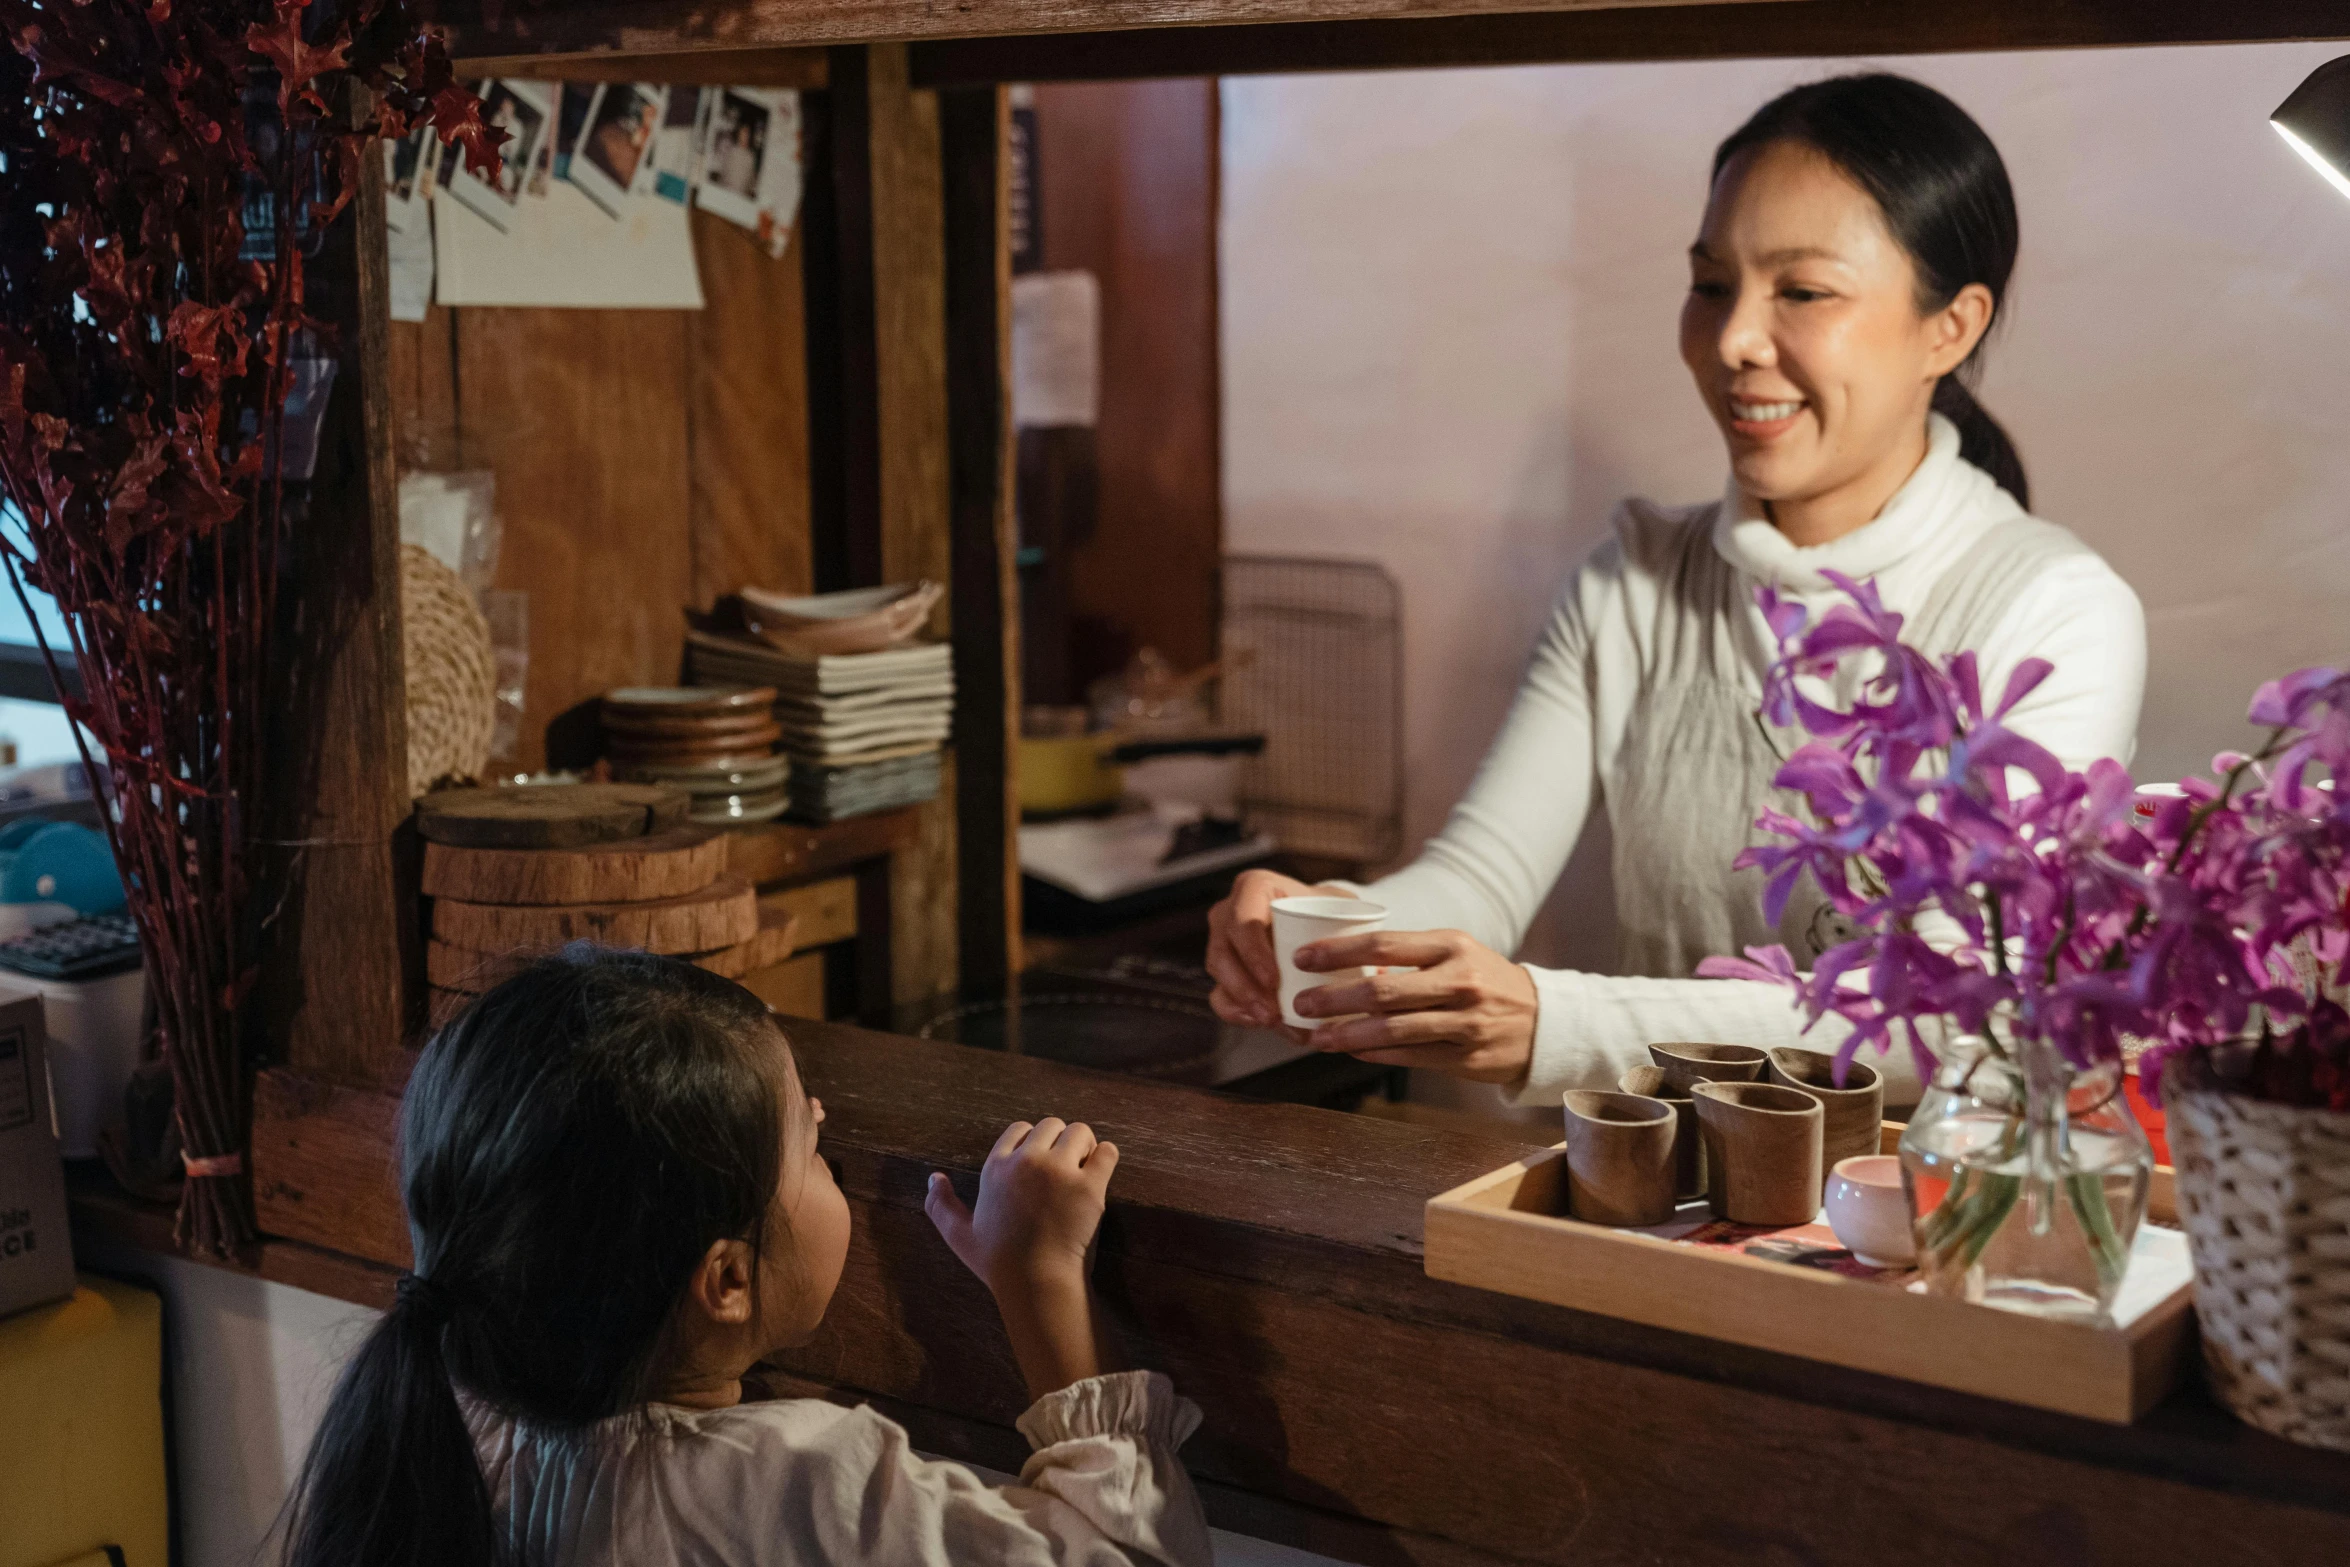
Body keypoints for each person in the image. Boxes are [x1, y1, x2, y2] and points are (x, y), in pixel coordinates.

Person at [1205, 74, 2146, 1111]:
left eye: (1801, 291)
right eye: (1710, 284)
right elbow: (1478, 879)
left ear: (1949, 327)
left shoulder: (2053, 611)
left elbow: (1948, 1013)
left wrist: (1554, 1024)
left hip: (1919, 1229)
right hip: (1661, 1209)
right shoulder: (1636, 582)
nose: (1736, 339)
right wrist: (1323, 926)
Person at [282, 946, 1211, 1567]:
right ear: (727, 1280)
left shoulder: (442, 1431)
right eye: (807, 1149)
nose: (824, 1124)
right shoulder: (798, 1483)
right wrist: (1037, 1279)